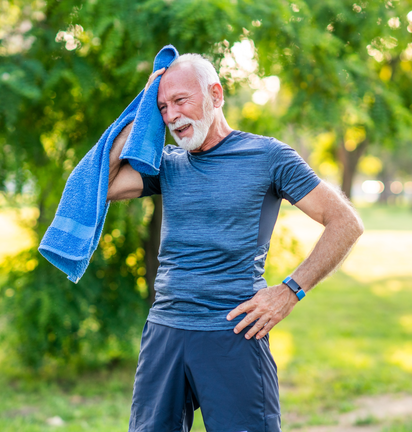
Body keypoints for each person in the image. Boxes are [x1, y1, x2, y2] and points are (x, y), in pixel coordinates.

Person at [106, 53, 364, 431]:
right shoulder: (167, 163)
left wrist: (290, 291)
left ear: (216, 94)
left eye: (181, 101)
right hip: (165, 332)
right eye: (163, 107)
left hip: (234, 333)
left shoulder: (268, 156)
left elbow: (345, 222)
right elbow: (106, 183)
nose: (172, 116)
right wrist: (142, 110)